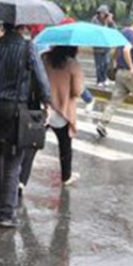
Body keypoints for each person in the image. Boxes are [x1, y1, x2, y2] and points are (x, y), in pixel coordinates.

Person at [0, 22, 51, 228]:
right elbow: (41, 80)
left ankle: (1, 203)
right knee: (14, 157)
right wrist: (47, 102)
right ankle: (6, 213)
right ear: (23, 26)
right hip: (15, 109)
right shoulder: (28, 47)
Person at [96, 15, 133, 138]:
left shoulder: (123, 32)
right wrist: (132, 68)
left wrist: (113, 62)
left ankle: (102, 123)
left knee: (115, 100)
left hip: (119, 72)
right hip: (129, 74)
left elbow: (117, 50)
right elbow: (126, 50)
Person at [43, 46, 84, 186]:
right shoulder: (73, 64)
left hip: (44, 107)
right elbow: (77, 91)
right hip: (63, 110)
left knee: (31, 146)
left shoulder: (44, 58)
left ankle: (21, 179)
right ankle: (66, 176)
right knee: (65, 145)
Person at [91, 5, 116, 87]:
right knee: (99, 65)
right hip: (98, 47)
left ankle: (105, 78)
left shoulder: (108, 20)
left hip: (106, 46)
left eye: (104, 13)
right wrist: (105, 24)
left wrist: (111, 21)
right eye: (101, 13)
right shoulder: (95, 20)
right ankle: (99, 80)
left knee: (106, 64)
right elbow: (99, 31)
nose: (102, 15)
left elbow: (114, 30)